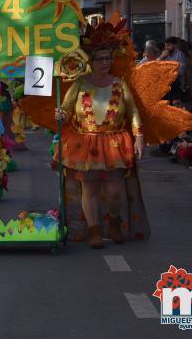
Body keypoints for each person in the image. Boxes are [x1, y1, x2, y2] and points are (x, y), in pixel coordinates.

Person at [55, 46, 145, 249]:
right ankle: (94, 230)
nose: (105, 62)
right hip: (86, 142)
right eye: (100, 59)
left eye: (108, 58)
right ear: (90, 62)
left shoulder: (119, 83)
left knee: (115, 190)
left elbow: (132, 110)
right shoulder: (79, 83)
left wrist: (138, 136)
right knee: (90, 188)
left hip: (114, 143)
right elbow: (67, 109)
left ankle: (113, 221)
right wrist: (61, 115)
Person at [158, 36, 188, 101]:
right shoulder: (165, 55)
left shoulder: (180, 55)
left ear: (175, 45)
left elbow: (181, 71)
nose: (167, 48)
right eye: (166, 46)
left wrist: (169, 70)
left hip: (176, 88)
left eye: (169, 45)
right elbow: (156, 66)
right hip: (166, 87)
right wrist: (161, 57)